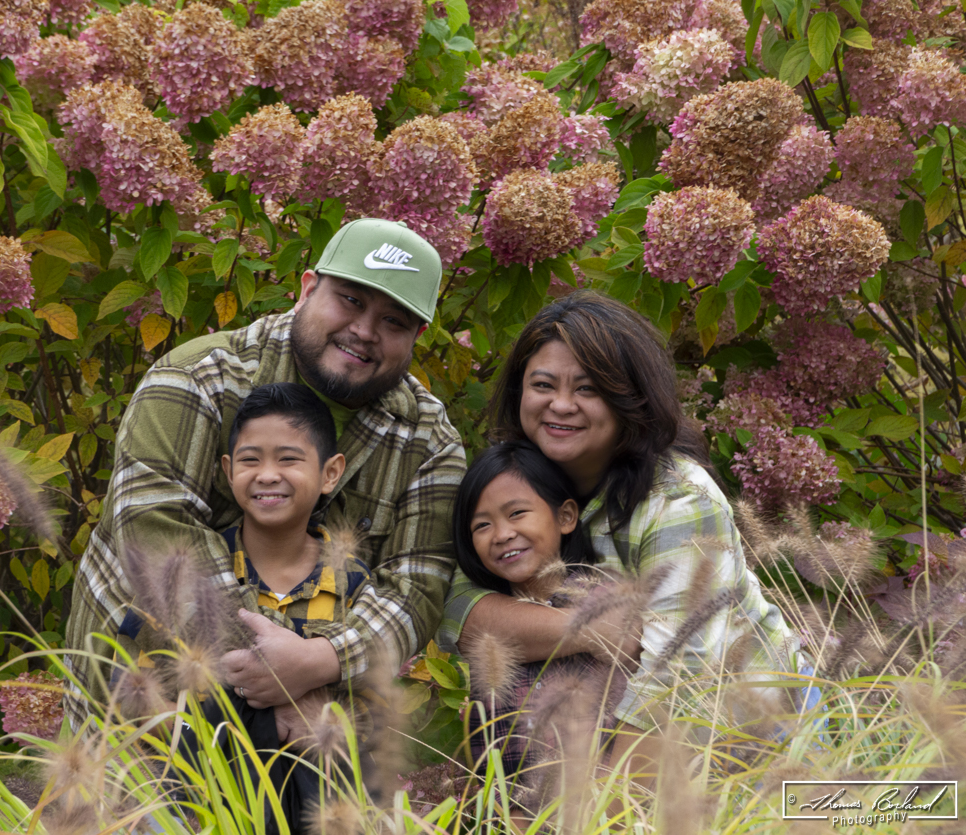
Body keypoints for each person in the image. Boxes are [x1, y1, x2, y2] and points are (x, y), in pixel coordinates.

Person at [65, 218, 467, 731]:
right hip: (139, 711)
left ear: (418, 336)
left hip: (310, 737)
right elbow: (155, 532)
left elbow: (416, 586)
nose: (365, 331)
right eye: (350, 300)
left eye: (394, 321)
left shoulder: (429, 443)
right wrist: (274, 668)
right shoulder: (198, 378)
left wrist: (319, 662)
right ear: (307, 289)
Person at [439, 291, 805, 790]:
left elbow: (677, 685)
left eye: (588, 389)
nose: (561, 405)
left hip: (754, 742)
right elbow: (459, 604)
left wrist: (583, 813)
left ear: (629, 397)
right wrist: (593, 629)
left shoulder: (679, 501)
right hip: (595, 736)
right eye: (542, 384)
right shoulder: (516, 482)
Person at [114, 383, 372, 833]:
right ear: (229, 470)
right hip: (199, 804)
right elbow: (137, 690)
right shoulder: (189, 571)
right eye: (251, 460)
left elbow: (376, 704)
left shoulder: (353, 586)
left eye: (289, 459)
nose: (268, 475)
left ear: (331, 473)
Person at [452, 440, 635, 781]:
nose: (502, 534)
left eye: (517, 513)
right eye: (482, 525)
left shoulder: (607, 603)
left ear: (565, 516)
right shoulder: (486, 627)